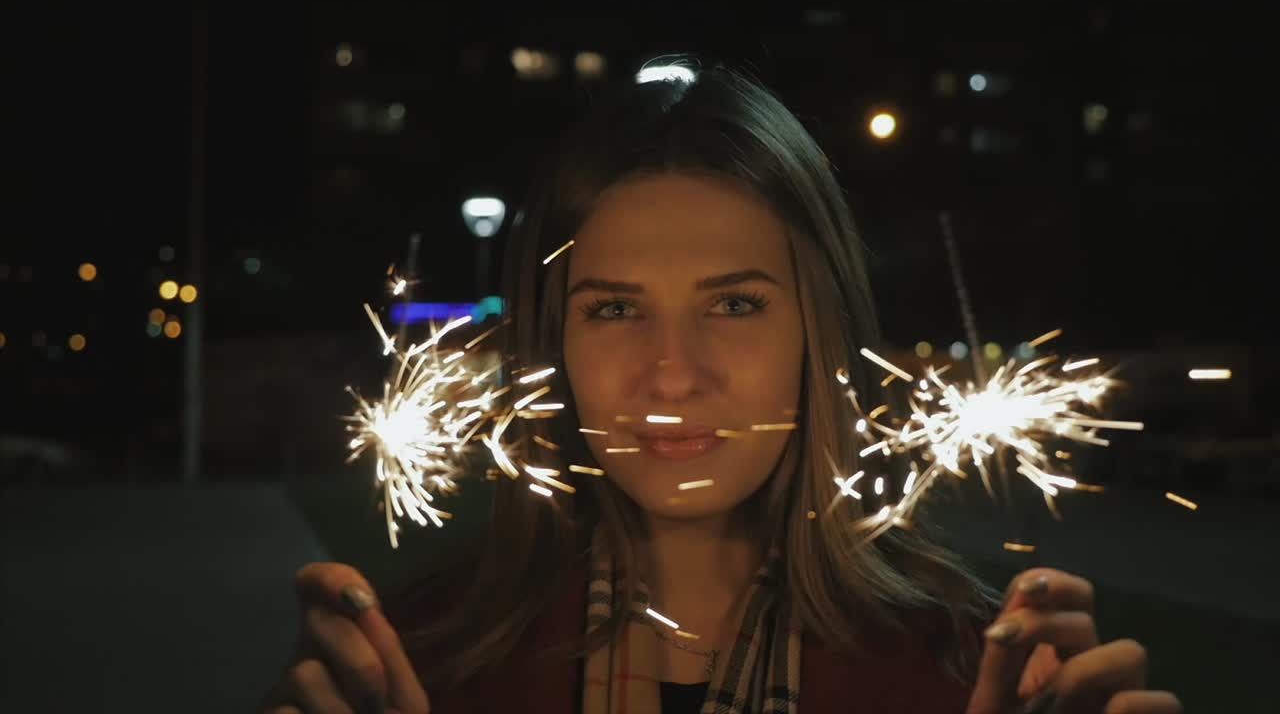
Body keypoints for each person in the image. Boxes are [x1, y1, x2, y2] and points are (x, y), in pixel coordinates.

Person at [261, 63, 1181, 713]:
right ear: (554, 349)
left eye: (735, 304)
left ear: (817, 335)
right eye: (615, 311)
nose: (672, 371)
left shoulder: (968, 672)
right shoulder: (421, 665)